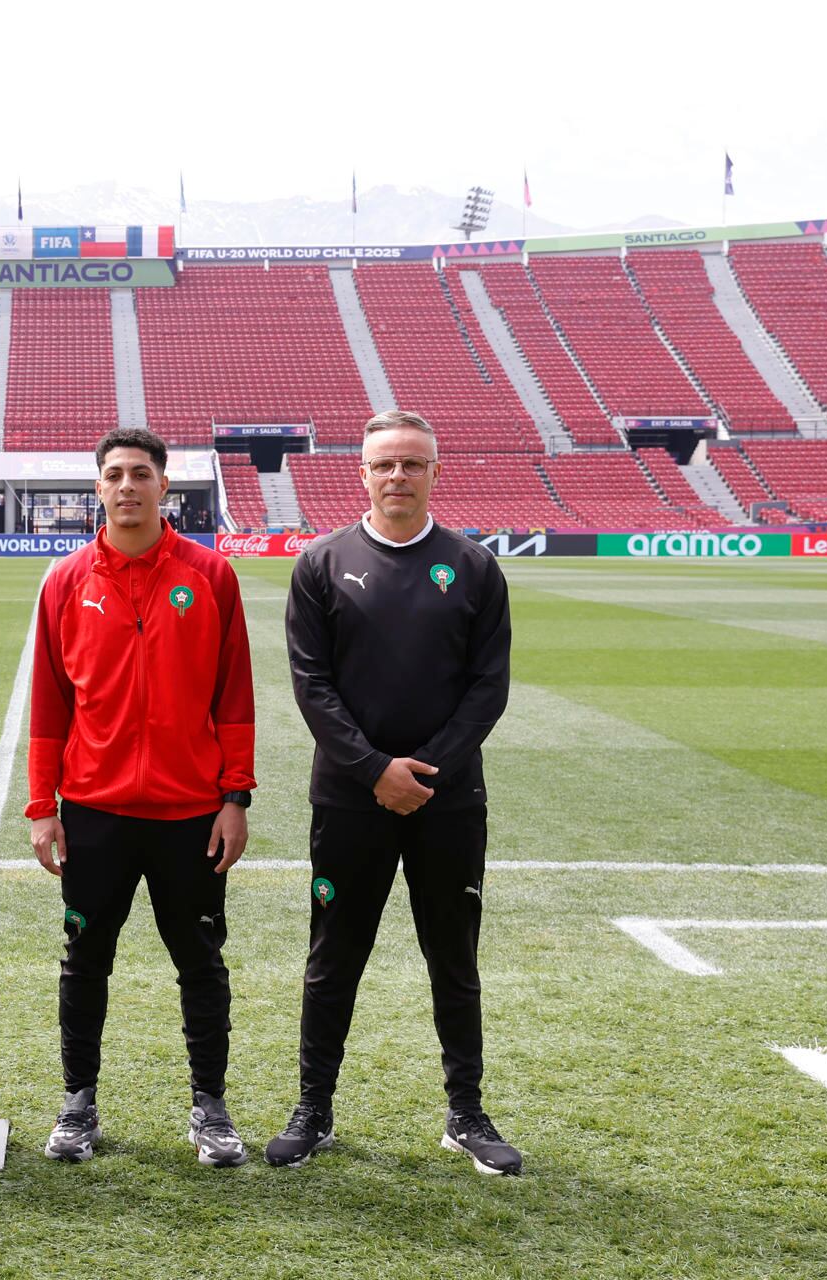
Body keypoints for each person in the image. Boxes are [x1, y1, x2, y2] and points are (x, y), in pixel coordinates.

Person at [269, 409, 520, 1175]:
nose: (398, 477)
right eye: (385, 465)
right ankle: (314, 1110)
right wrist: (376, 769)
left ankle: (466, 1114)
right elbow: (311, 685)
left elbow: (488, 689)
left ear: (434, 473)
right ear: (363, 474)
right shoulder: (321, 562)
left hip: (450, 804)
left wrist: (425, 772)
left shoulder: (474, 567)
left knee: (454, 956)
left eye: (413, 464)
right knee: (333, 957)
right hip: (348, 801)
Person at [26, 426, 257, 1168]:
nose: (127, 486)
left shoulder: (211, 575)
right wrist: (41, 808)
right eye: (115, 474)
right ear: (98, 488)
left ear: (165, 487)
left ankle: (210, 1108)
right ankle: (77, 1105)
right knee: (84, 959)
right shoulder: (66, 582)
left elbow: (236, 698)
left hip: (190, 812)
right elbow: (49, 705)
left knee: (201, 961)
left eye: (141, 474)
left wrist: (236, 797)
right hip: (95, 812)